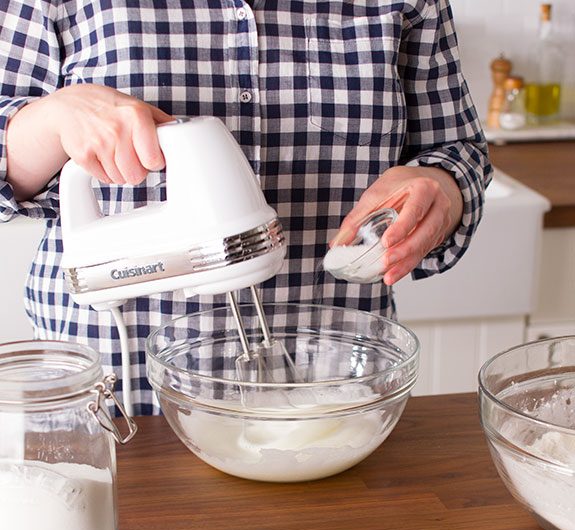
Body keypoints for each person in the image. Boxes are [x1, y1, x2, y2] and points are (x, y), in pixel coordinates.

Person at [0, 0, 492, 415]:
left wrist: (440, 185)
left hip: (332, 392)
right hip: (118, 399)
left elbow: (459, 150)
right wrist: (49, 119)